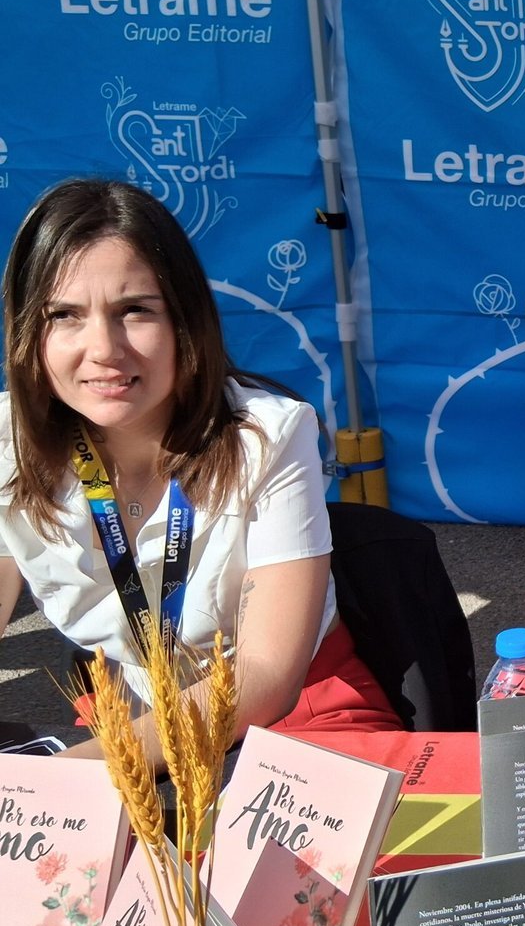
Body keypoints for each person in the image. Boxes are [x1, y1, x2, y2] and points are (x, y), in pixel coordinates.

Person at [0, 179, 402, 763]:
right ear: (30, 335)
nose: (103, 348)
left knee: (360, 853)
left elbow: (268, 672)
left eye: (134, 310)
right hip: (130, 713)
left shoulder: (270, 434)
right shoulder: (10, 440)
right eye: (64, 315)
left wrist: (72, 773)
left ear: (185, 321)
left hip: (294, 712)